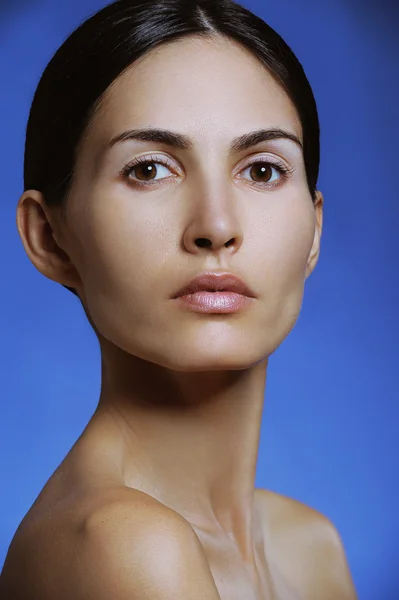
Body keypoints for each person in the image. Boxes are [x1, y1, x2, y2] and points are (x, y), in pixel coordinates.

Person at [0, 0, 358, 598]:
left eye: (263, 171)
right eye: (149, 170)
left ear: (314, 232)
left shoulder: (310, 542)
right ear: (49, 237)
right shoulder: (120, 546)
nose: (216, 226)